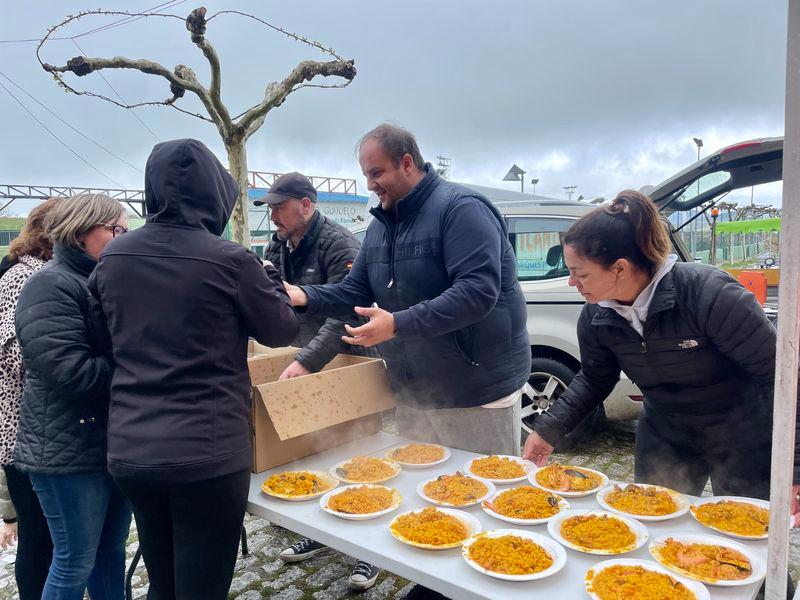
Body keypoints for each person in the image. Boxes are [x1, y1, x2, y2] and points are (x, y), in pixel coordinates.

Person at [284, 124, 530, 600]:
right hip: (418, 390)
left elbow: (478, 292)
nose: (370, 184)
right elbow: (356, 292)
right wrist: (303, 296)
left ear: (408, 163)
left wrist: (396, 325)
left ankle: (488, 585)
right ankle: (437, 584)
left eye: (376, 172)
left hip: (477, 388)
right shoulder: (380, 225)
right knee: (430, 497)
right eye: (364, 174)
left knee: (483, 500)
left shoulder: (462, 210)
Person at [89, 138, 299, 600]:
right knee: (202, 586)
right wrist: (271, 284)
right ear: (215, 195)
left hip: (132, 452)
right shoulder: (230, 260)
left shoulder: (112, 260)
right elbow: (282, 329)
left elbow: (105, 341)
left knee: (163, 581)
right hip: (207, 455)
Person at [522, 189, 799, 505]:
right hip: (665, 431)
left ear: (620, 268)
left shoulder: (708, 294)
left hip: (742, 430)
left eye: (579, 273)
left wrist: (796, 470)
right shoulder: (597, 314)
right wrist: (546, 432)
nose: (572, 283)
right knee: (654, 516)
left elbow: (783, 377)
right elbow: (594, 378)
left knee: (743, 526)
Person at [259, 171, 381, 589]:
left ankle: (368, 550)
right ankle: (321, 531)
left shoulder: (340, 243)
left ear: (306, 206)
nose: (272, 215)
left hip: (348, 358)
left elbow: (348, 309)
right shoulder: (278, 244)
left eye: (279, 206)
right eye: (270, 207)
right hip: (306, 358)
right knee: (319, 450)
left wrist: (309, 361)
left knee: (358, 450)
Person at [13, 194, 132, 600]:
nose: (122, 238)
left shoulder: (99, 281)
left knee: (109, 552)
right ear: (82, 232)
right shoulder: (49, 285)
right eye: (115, 230)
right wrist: (140, 367)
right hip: (65, 452)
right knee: (73, 561)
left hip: (105, 443)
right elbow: (71, 373)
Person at [0, 197, 62, 599]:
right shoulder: (26, 278)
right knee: (41, 539)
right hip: (26, 434)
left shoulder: (32, 273)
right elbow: (23, 354)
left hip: (35, 432)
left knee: (48, 538)